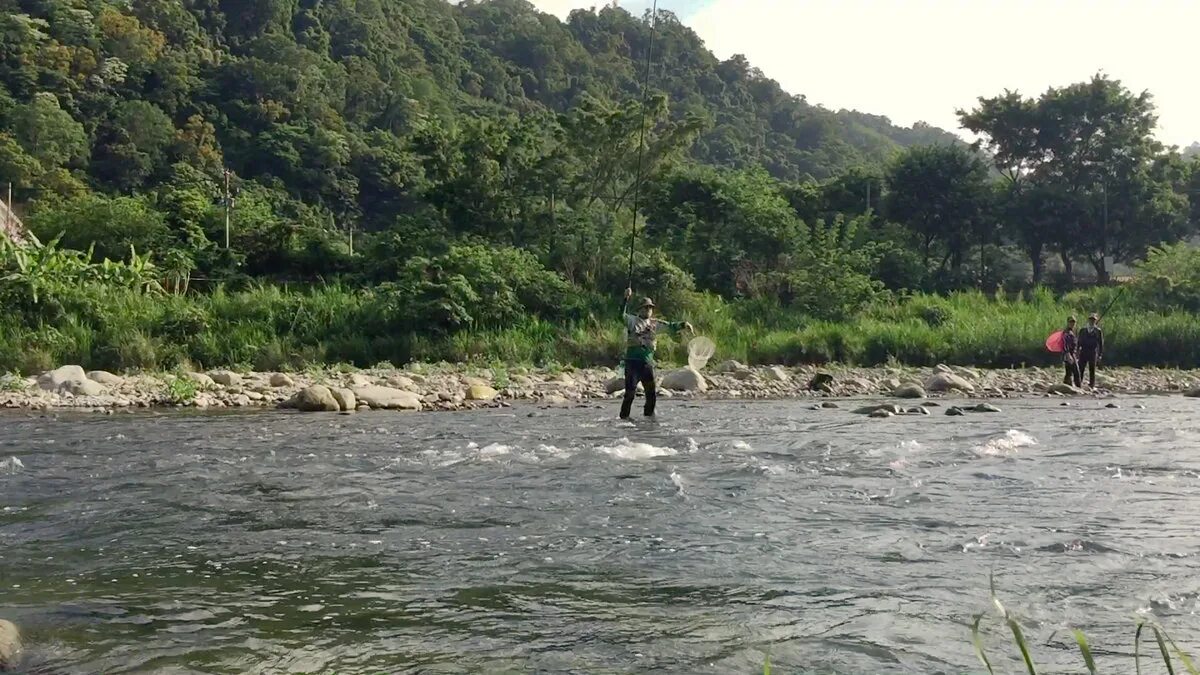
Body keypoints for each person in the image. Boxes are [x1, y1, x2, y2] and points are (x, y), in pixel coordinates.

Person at [619, 287, 692, 418]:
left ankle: (649, 420)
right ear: (639, 309)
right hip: (632, 364)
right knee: (629, 394)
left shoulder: (655, 324)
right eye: (645, 308)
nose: (648, 310)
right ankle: (624, 420)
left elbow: (671, 325)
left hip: (647, 364)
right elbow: (620, 316)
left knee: (651, 395)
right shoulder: (631, 321)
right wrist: (625, 299)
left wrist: (683, 324)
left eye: (650, 308)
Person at [1078, 312, 1104, 388]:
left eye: (1093, 320)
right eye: (1091, 319)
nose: (1092, 321)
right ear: (1088, 320)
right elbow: (1078, 342)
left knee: (1092, 369)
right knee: (1081, 368)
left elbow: (1101, 343)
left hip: (1093, 351)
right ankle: (1079, 383)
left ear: (1095, 321)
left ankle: (1091, 384)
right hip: (1083, 351)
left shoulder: (1098, 331)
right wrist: (1077, 351)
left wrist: (1100, 354)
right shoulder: (1083, 330)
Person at [1061, 316, 1081, 388]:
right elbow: (1064, 344)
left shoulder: (1072, 332)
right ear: (1068, 323)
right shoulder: (1066, 332)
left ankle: (1065, 386)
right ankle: (1079, 388)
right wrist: (1068, 354)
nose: (1072, 323)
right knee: (1076, 372)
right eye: (1071, 322)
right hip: (1069, 355)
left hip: (1072, 354)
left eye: (1073, 322)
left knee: (1068, 372)